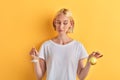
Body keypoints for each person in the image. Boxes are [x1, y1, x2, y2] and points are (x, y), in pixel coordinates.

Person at [29, 8, 103, 80]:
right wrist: (35, 60)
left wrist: (89, 62)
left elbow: (81, 76)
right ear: (55, 23)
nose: (61, 26)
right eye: (58, 22)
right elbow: (39, 77)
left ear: (71, 24)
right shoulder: (46, 46)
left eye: (65, 23)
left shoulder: (78, 46)